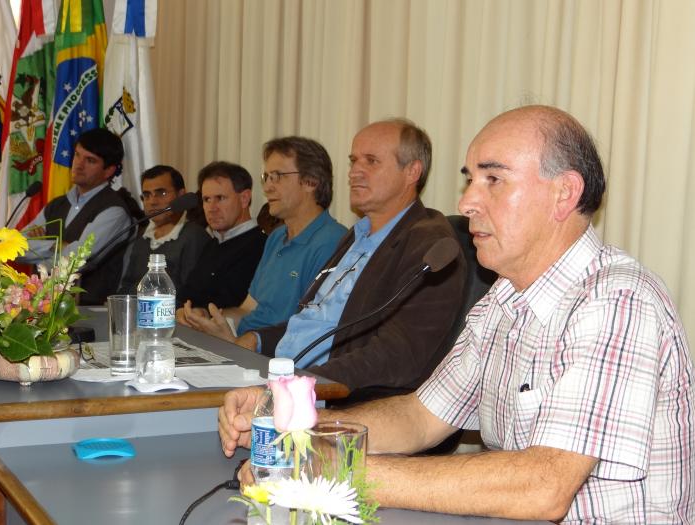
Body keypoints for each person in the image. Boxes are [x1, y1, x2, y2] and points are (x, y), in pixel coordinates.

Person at [219, 106, 694, 523]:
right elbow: (421, 417)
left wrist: (338, 468)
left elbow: (544, 486)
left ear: (564, 194)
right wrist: (289, 427)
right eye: (470, 178)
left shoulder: (616, 300)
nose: (466, 202)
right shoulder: (502, 300)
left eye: (493, 179)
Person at [193, 119, 466, 401]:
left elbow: (400, 354)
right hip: (283, 375)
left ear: (412, 172)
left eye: (371, 161)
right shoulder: (356, 235)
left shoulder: (429, 242)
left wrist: (306, 386)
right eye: (353, 160)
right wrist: (255, 340)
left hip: (329, 396)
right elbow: (313, 319)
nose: (354, 172)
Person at [180, 136, 347, 335]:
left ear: (311, 181)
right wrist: (206, 318)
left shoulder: (334, 242)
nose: (267, 187)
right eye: (266, 177)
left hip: (274, 358)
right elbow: (247, 310)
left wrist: (245, 343)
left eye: (277, 176)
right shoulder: (276, 238)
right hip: (246, 347)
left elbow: (310, 331)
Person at [19, 128, 139, 305]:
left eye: (90, 160)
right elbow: (17, 248)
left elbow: (75, 260)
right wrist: (56, 245)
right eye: (77, 155)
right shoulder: (57, 205)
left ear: (109, 171)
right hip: (41, 306)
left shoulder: (114, 210)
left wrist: (39, 252)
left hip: (89, 314)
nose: (78, 165)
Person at [175, 161, 265, 311]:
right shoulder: (213, 243)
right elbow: (186, 295)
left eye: (220, 198)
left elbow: (233, 305)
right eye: (206, 200)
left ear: (244, 198)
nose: (211, 208)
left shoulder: (260, 246)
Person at [117, 165, 209, 293]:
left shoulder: (194, 236)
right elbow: (126, 286)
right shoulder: (143, 236)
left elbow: (189, 294)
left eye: (162, 193)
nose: (152, 202)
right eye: (147, 195)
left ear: (181, 195)